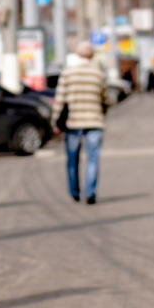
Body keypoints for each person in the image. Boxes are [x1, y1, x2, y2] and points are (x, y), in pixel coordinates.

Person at [55, 41, 110, 204]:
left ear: (77, 55)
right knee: (92, 159)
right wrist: (102, 113)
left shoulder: (68, 73)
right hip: (95, 121)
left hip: (73, 123)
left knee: (72, 159)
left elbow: (60, 100)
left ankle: (74, 191)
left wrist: (55, 121)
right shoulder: (98, 74)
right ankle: (90, 193)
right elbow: (105, 99)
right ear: (92, 56)